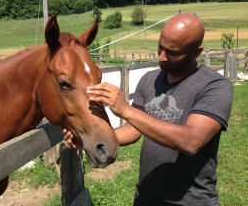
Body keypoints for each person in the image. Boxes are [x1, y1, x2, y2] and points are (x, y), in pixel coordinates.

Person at [64, 13, 233, 206]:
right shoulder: (149, 80)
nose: (161, 56)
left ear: (196, 52)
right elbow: (133, 129)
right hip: (146, 197)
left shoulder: (215, 86)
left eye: (173, 52)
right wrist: (91, 139)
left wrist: (125, 110)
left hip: (192, 201)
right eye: (160, 46)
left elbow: (191, 141)